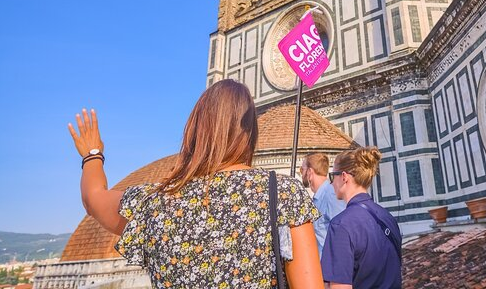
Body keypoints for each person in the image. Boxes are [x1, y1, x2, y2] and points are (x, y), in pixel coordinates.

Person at [67, 80, 324, 289]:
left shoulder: (153, 204)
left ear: (195, 129)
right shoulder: (284, 194)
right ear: (249, 134)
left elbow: (93, 198)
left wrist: (92, 154)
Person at [321, 147, 402, 289]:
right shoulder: (388, 218)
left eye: (333, 176)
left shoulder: (341, 225)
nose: (332, 183)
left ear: (344, 177)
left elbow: (340, 286)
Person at [300, 153, 346, 257]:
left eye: (302, 170)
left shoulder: (330, 194)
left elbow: (342, 232)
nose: (301, 174)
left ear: (310, 172)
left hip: (332, 266)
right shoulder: (319, 198)